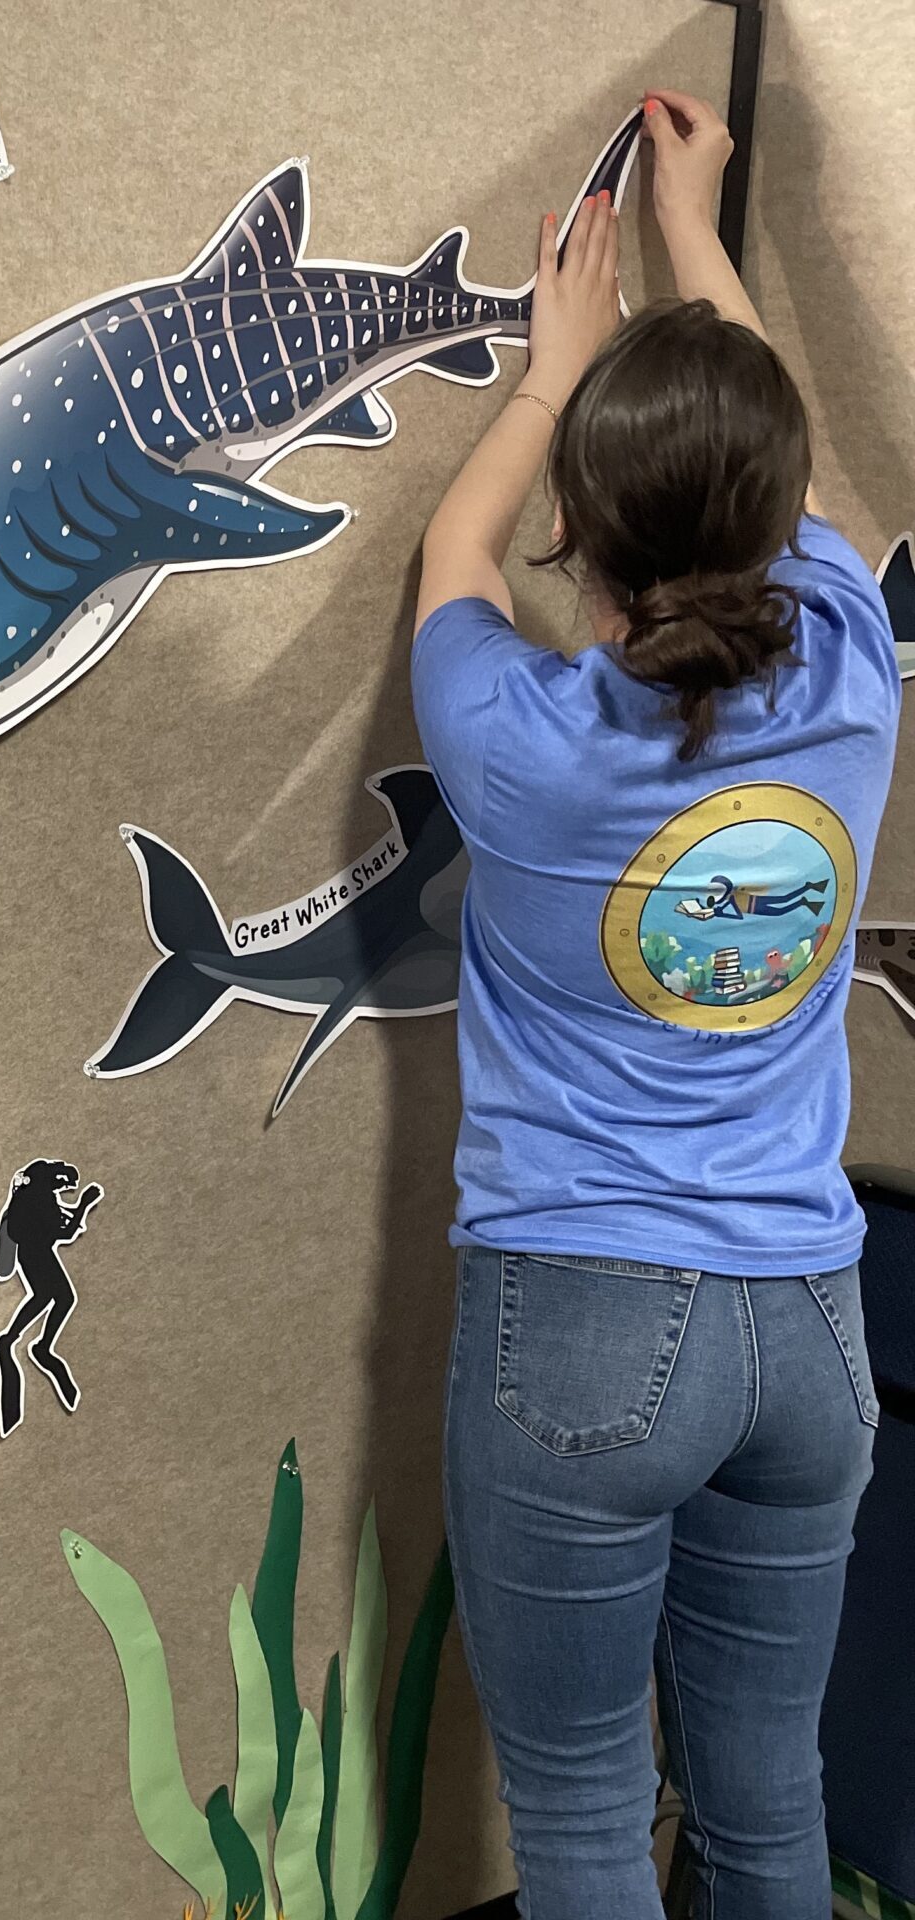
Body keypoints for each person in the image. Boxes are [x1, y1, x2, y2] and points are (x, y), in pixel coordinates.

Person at [410, 90, 901, 1920]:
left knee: (584, 1820)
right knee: (772, 1806)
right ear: (779, 518)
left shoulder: (514, 740)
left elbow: (449, 570)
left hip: (586, 1335)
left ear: (575, 528)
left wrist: (546, 378)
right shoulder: (855, 677)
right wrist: (701, 226)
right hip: (813, 1340)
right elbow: (770, 456)